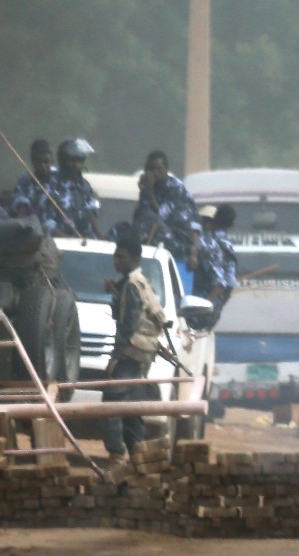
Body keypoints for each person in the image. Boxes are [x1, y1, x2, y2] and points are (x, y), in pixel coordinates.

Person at [104, 235, 167, 465]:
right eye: (115, 256)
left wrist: (115, 357)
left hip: (130, 351)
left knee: (112, 402)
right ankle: (137, 453)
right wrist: (114, 293)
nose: (116, 261)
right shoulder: (140, 281)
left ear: (135, 258)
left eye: (121, 257)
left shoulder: (131, 285)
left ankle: (116, 455)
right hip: (142, 352)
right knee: (132, 405)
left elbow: (128, 324)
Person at [134, 150, 199, 263]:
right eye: (151, 169)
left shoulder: (175, 188)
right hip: (157, 233)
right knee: (121, 229)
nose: (155, 173)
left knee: (152, 221)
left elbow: (159, 214)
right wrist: (143, 189)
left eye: (159, 169)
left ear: (166, 170)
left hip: (179, 238)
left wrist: (149, 190)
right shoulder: (147, 188)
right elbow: (138, 217)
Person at [42, 139, 100, 238]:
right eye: (72, 161)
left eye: (80, 161)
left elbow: (90, 211)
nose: (76, 165)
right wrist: (68, 239)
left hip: (86, 242)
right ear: (63, 160)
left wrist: (99, 235)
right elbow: (47, 221)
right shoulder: (51, 184)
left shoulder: (84, 185)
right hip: (59, 244)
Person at [10, 139, 54, 219]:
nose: (43, 166)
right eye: (39, 162)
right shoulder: (25, 179)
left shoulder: (60, 178)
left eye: (46, 161)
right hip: (33, 223)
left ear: (51, 161)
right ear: (32, 161)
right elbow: (18, 199)